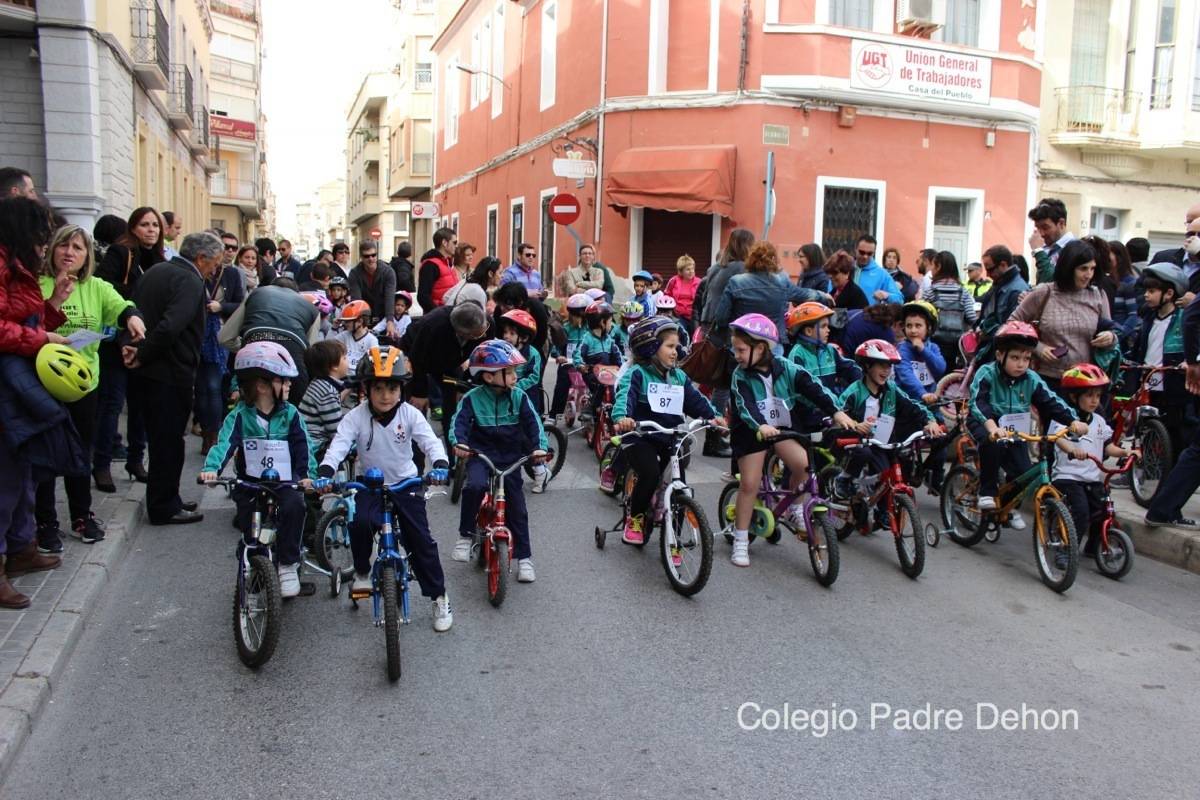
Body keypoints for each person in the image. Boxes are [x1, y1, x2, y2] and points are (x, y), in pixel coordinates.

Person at [317, 345, 453, 631]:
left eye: (392, 388)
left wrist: (439, 463)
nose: (385, 395)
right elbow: (339, 445)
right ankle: (363, 571)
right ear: (366, 389)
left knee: (421, 541)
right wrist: (326, 471)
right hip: (370, 485)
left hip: (406, 484)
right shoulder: (356, 416)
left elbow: (429, 441)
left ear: (401, 389)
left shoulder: (410, 415)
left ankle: (439, 597)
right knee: (360, 523)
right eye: (378, 388)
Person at [34, 225, 146, 550]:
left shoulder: (96, 287)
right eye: (64, 246)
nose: (70, 253)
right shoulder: (36, 284)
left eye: (78, 248)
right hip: (42, 382)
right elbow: (29, 327)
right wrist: (55, 298)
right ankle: (45, 522)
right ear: (53, 250)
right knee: (44, 455)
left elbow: (122, 306)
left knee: (79, 452)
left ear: (87, 257)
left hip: (84, 383)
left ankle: (82, 515)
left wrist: (132, 318)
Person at [727, 314, 856, 566]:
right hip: (751, 431)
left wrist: (837, 412)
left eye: (741, 350)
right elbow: (745, 405)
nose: (736, 355)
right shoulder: (739, 375)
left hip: (782, 427)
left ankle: (796, 507)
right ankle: (740, 540)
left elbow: (814, 389)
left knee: (804, 465)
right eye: (735, 349)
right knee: (750, 484)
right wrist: (760, 425)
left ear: (761, 348)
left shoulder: (787, 368)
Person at [0, 197, 76, 608]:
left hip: (20, 382)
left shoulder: (21, 267)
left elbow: (27, 321)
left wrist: (54, 308)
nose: (47, 243)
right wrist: (42, 339)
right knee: (5, 479)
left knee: (24, 473)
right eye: (42, 233)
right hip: (7, 386)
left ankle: (21, 547)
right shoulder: (3, 263)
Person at [200, 342, 315, 598]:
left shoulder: (291, 414)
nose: (289, 386)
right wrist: (212, 469)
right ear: (262, 386)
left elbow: (302, 446)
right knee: (248, 524)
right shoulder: (240, 416)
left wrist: (308, 476)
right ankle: (254, 560)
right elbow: (225, 443)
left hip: (286, 483)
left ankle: (287, 564)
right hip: (251, 483)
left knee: (295, 507)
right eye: (283, 382)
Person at [126, 232, 225, 526]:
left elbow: (133, 311)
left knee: (162, 441)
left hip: (150, 371)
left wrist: (133, 351)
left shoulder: (157, 270)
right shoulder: (190, 280)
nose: (215, 270)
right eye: (215, 263)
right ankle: (164, 506)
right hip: (169, 373)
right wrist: (142, 353)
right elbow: (171, 327)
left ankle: (170, 498)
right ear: (201, 258)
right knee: (168, 443)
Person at [612, 316, 723, 545]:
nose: (676, 351)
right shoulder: (637, 374)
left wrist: (714, 417)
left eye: (677, 346)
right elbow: (624, 397)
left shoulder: (678, 377)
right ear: (651, 347)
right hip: (641, 436)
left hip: (671, 437)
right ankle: (636, 517)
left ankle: (676, 538)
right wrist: (623, 418)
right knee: (651, 474)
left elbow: (696, 401)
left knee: (679, 484)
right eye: (670, 346)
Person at [449, 339, 547, 583]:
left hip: (510, 457)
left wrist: (538, 449)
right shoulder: (472, 398)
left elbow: (534, 424)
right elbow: (458, 423)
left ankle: (524, 559)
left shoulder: (519, 397)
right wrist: (459, 443)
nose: (515, 377)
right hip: (481, 455)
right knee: (474, 486)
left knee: (518, 507)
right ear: (490, 377)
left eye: (514, 372)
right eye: (510, 372)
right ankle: (465, 535)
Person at [968, 322, 1085, 523]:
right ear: (999, 355)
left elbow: (1052, 401)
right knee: (993, 444)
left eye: (1026, 358)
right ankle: (986, 491)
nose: (1021, 364)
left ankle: (1007, 507)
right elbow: (978, 403)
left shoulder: (1031, 379)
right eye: (1015, 358)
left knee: (1024, 472)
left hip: (1015, 430)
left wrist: (1073, 420)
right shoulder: (986, 373)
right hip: (985, 421)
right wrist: (992, 427)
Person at [93, 207, 167, 490]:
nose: (151, 230)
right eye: (145, 224)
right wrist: (135, 301)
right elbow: (102, 286)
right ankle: (101, 465)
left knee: (140, 406)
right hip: (117, 341)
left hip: (145, 342)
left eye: (155, 225)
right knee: (111, 404)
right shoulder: (121, 253)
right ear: (133, 228)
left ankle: (136, 461)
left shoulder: (160, 259)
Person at [835, 340, 941, 530]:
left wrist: (930, 421)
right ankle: (845, 477)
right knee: (864, 454)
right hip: (858, 444)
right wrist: (855, 425)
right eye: (882, 365)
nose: (887, 371)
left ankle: (883, 510)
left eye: (889, 366)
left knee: (891, 472)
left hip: (883, 443)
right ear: (867, 366)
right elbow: (839, 414)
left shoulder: (892, 390)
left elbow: (913, 406)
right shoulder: (855, 391)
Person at [1009, 240, 1118, 391]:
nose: (1088, 275)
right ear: (1069, 267)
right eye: (1083, 269)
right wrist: (1037, 347)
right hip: (1047, 380)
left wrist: (1110, 337)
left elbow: (1112, 332)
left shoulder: (1098, 295)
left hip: (1086, 384)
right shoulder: (1045, 292)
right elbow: (1011, 325)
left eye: (1092, 269)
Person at [1050, 364, 1133, 559]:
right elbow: (1058, 439)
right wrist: (1072, 450)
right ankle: (1066, 551)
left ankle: (1094, 546)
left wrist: (1125, 452)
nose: (1094, 400)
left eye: (1097, 396)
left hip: (1091, 478)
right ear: (1074, 396)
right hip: (1067, 476)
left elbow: (1107, 446)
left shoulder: (1099, 421)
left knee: (1104, 510)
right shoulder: (1064, 418)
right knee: (1081, 511)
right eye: (1089, 395)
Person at [219, 280, 320, 402]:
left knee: (249, 411)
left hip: (255, 347)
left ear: (270, 287)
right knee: (292, 413)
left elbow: (224, 338)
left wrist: (249, 348)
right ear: (297, 293)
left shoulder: (256, 294)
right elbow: (310, 355)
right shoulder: (312, 309)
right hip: (293, 352)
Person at [1127, 263, 1190, 456]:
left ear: (1169, 293)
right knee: (1142, 428)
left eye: (1152, 291)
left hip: (1173, 384)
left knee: (1174, 430)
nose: (1146, 295)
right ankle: (1138, 465)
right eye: (1146, 290)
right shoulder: (1148, 318)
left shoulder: (1183, 319)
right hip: (1148, 383)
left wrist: (1187, 362)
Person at [711, 241, 824, 349]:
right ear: (773, 260)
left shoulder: (736, 282)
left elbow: (721, 318)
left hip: (742, 344)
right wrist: (823, 295)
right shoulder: (781, 282)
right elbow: (804, 294)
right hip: (772, 344)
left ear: (750, 259)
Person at [196, 235, 246, 455]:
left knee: (214, 387)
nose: (228, 251)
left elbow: (240, 304)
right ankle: (206, 431)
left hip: (220, 335)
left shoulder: (233, 273)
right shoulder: (198, 271)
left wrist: (220, 306)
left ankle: (213, 436)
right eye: (225, 247)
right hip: (197, 333)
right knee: (201, 388)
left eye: (233, 248)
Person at [786, 302, 861, 401]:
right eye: (823, 326)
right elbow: (801, 388)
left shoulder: (830, 350)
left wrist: (862, 382)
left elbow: (850, 368)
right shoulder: (797, 354)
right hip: (807, 413)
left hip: (830, 408)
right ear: (808, 331)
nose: (828, 330)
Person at [974, 244, 1030, 365]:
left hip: (1000, 353)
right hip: (992, 348)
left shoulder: (1017, 289)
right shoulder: (1000, 284)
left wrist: (988, 333)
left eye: (990, 269)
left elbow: (1012, 327)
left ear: (1003, 265)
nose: (987, 275)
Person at [922, 251, 977, 370]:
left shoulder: (930, 292)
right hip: (956, 346)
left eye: (933, 265)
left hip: (934, 342)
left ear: (939, 266)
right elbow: (972, 317)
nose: (931, 269)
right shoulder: (963, 291)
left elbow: (921, 315)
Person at [298, 339, 349, 456]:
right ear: (334, 366)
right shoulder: (327, 391)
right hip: (315, 445)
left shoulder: (320, 383)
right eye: (344, 358)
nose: (348, 362)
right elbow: (336, 431)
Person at [573, 300, 622, 420]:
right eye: (610, 321)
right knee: (600, 385)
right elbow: (577, 353)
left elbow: (618, 355)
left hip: (609, 373)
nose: (612, 324)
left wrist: (624, 366)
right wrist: (580, 365)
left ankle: (617, 414)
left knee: (617, 389)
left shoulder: (609, 340)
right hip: (592, 373)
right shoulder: (587, 339)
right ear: (602, 322)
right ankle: (590, 407)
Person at [547, 292, 591, 420]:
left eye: (578, 316)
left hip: (584, 365)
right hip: (568, 364)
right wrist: (558, 356)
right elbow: (556, 346)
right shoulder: (565, 328)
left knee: (594, 386)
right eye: (572, 315)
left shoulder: (589, 330)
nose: (574, 318)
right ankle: (554, 415)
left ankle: (592, 413)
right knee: (561, 387)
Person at [894, 301, 945, 406]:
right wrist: (922, 394)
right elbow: (906, 374)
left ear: (929, 328)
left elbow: (940, 369)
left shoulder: (933, 347)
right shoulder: (902, 349)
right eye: (909, 326)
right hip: (908, 401)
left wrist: (923, 350)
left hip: (930, 400)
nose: (913, 330)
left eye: (918, 326)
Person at [347, 239, 396, 320]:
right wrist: (360, 321)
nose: (371, 258)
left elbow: (390, 298)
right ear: (361, 257)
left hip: (383, 316)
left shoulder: (388, 272)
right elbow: (357, 300)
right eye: (366, 256)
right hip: (364, 317)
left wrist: (390, 320)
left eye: (373, 255)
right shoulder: (354, 274)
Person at [1028, 198, 1074, 284]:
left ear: (1061, 223)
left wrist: (1038, 251)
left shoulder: (1074, 249)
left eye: (1045, 227)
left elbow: (1052, 283)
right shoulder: (1048, 248)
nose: (1041, 234)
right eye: (1037, 228)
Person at [416, 227, 458, 311]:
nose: (456, 246)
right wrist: (437, 314)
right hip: (438, 317)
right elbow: (423, 296)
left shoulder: (448, 263)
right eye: (454, 242)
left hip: (450, 314)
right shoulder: (430, 265)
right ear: (444, 243)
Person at [852, 235, 902, 305]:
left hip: (868, 315)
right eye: (862, 252)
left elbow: (900, 299)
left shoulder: (882, 274)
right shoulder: (845, 268)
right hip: (844, 315)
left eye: (869, 254)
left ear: (874, 252)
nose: (865, 256)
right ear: (855, 249)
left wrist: (886, 295)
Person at [333, 299, 379, 372]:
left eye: (348, 321)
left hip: (360, 378)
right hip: (343, 376)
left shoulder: (371, 340)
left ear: (360, 321)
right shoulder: (344, 335)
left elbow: (375, 364)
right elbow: (327, 347)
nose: (344, 324)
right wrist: (334, 328)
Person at [1108, 240, 1139, 346]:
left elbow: (1133, 315)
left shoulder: (1129, 283)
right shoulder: (1107, 281)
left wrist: (1119, 335)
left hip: (1121, 341)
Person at [663, 254, 701, 335]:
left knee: (694, 339)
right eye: (688, 269)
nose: (691, 271)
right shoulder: (673, 280)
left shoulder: (699, 282)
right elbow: (666, 296)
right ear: (681, 271)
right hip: (678, 316)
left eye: (693, 269)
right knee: (681, 336)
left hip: (694, 317)